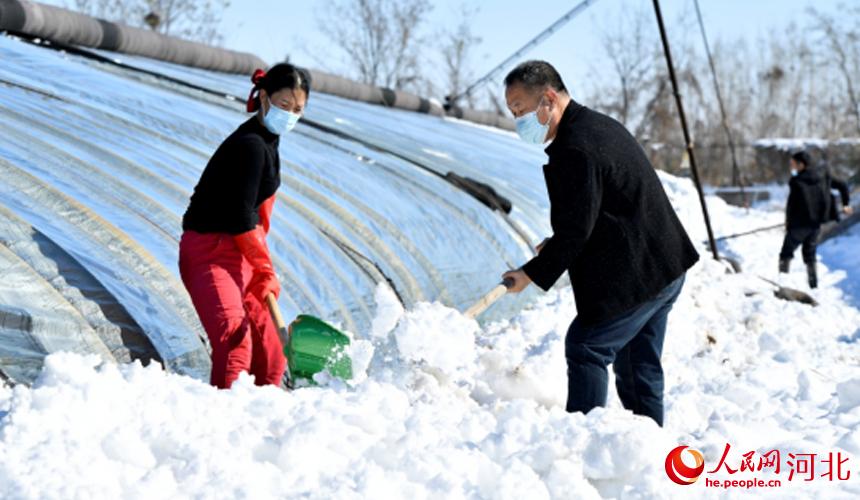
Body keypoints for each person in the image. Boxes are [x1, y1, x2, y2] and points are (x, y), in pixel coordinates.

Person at [500, 60, 699, 427]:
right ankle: (647, 446)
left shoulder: (576, 148)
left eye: (520, 110)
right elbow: (596, 213)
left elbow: (576, 230)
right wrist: (556, 244)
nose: (518, 122)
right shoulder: (596, 125)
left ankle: (583, 440)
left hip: (640, 274)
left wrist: (531, 273)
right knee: (638, 365)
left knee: (586, 346)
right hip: (664, 266)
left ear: (548, 99)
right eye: (513, 113)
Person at [179, 63, 310, 389]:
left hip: (241, 254)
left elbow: (257, 216)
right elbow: (241, 216)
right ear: (263, 97)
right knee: (235, 342)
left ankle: (262, 424)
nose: (290, 115)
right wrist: (265, 268)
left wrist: (259, 266)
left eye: (297, 110)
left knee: (272, 351)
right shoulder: (250, 145)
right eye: (284, 105)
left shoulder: (270, 143)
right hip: (210, 252)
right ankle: (224, 423)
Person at [779, 150, 852, 288]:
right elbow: (842, 185)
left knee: (786, 253)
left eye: (793, 164)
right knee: (809, 254)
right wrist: (846, 204)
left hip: (799, 226)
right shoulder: (823, 175)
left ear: (801, 164)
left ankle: (782, 283)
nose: (791, 167)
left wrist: (788, 223)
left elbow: (791, 205)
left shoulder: (796, 181)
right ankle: (813, 285)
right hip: (816, 225)